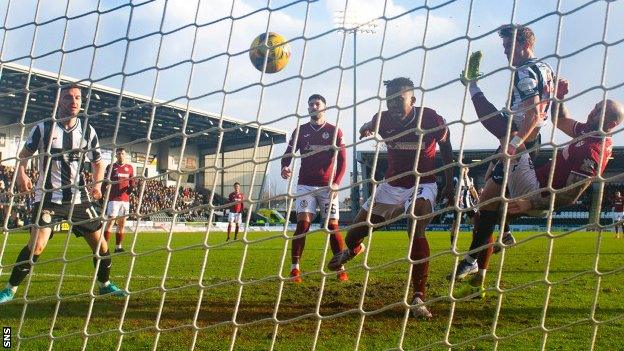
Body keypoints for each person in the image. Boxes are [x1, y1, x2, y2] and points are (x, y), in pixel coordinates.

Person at [452, 95, 624, 298]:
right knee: (485, 216)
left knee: (512, 136)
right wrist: (559, 97)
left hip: (535, 191)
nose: (592, 112)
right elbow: (560, 120)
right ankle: (478, 277)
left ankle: (475, 91)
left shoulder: (594, 150)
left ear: (611, 124)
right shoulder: (589, 131)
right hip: (533, 183)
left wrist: (529, 202)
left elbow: (570, 196)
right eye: (596, 107)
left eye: (599, 112)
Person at [327, 77, 454, 318]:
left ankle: (418, 298)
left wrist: (448, 182)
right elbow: (370, 123)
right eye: (389, 101)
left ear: (412, 100)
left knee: (416, 223)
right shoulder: (383, 119)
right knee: (356, 231)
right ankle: (354, 249)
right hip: (391, 186)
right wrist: (366, 127)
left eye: (399, 100)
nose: (393, 105)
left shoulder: (429, 118)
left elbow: (446, 147)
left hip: (422, 183)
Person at [0, 84, 127, 303]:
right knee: (37, 245)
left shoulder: (87, 130)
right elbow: (23, 155)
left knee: (101, 245)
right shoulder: (43, 128)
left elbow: (98, 162)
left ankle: (105, 285)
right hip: (48, 197)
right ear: (59, 101)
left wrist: (97, 185)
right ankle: (10, 289)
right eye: (69, 98)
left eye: (78, 98)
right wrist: (21, 175)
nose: (74, 102)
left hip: (79, 199)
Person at [463, 24, 555, 249]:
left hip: (520, 138)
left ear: (524, 44)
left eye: (508, 46)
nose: (504, 51)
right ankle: (503, 234)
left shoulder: (524, 71)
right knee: (487, 189)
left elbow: (532, 114)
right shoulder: (545, 67)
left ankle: (474, 258)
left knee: (487, 206)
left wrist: (514, 144)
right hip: (529, 136)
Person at [281, 94, 348, 283]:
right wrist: (284, 167)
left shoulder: (334, 131)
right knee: (303, 225)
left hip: (328, 187)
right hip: (305, 185)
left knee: (332, 226)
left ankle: (340, 267)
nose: (313, 106)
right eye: (310, 104)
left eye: (317, 103)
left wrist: (337, 182)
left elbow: (343, 160)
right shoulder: (300, 131)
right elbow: (288, 154)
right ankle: (295, 269)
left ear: (324, 107)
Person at [103, 148, 134, 253]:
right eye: (119, 153)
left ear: (125, 155)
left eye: (122, 153)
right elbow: (105, 182)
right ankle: (104, 247)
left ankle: (118, 247)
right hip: (114, 199)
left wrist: (131, 188)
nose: (121, 155)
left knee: (122, 224)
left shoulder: (129, 167)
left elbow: (132, 181)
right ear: (116, 155)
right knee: (110, 222)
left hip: (125, 200)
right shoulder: (111, 167)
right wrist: (102, 194)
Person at [449, 167, 479, 247]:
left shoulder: (470, 179)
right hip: (459, 205)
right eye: (463, 168)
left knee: (476, 222)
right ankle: (453, 244)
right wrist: (455, 198)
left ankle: (475, 243)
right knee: (456, 225)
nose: (464, 170)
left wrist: (477, 200)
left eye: (466, 168)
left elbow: (473, 190)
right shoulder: (456, 179)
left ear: (468, 170)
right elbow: (453, 191)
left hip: (469, 205)